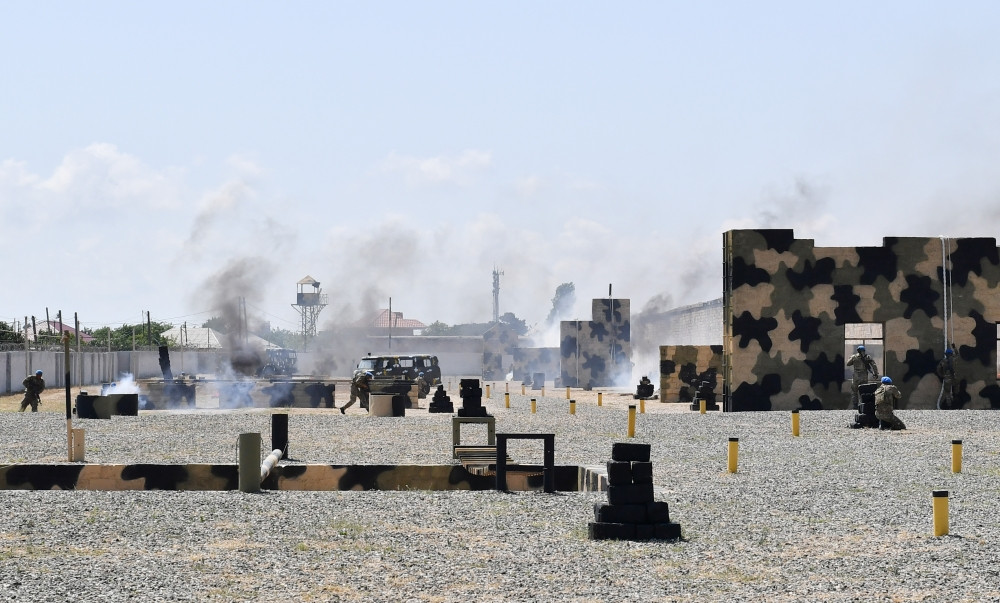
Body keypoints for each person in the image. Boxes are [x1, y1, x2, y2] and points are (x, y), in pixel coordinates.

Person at [846, 345, 879, 409]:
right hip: (864, 376)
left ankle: (855, 405)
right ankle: (863, 404)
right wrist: (875, 373)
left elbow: (848, 363)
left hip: (856, 376)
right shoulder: (868, 357)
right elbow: (874, 365)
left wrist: (852, 359)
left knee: (854, 391)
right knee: (864, 391)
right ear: (864, 350)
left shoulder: (854, 357)